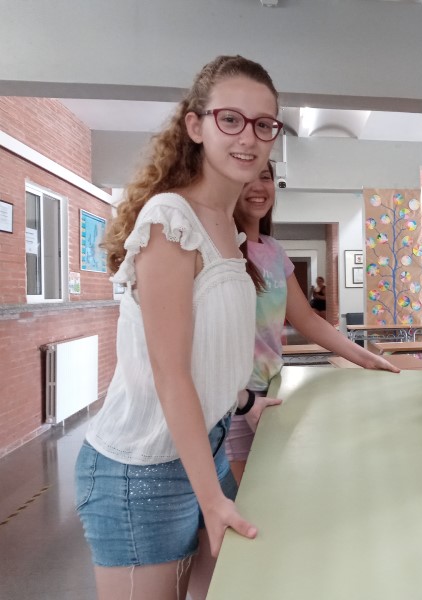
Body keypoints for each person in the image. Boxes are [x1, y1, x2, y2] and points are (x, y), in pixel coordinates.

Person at [74, 55, 282, 600]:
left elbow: (207, 352)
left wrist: (244, 401)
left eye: (264, 124)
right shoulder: (170, 220)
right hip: (139, 469)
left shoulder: (227, 227)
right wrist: (212, 498)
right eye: (230, 119)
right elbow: (170, 374)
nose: (249, 137)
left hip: (203, 449)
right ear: (195, 125)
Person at [224, 162, 399, 483]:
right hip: (233, 397)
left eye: (266, 177)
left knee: (273, 485)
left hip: (272, 387)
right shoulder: (221, 248)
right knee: (246, 496)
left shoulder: (273, 250)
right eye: (246, 179)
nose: (258, 187)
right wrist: (240, 399)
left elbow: (306, 319)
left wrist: (366, 358)